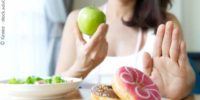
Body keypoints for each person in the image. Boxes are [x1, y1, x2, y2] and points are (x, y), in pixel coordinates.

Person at [56, 0, 195, 99]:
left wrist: (180, 90)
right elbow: (53, 89)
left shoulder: (165, 24)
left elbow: (186, 80)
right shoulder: (76, 19)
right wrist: (80, 68)